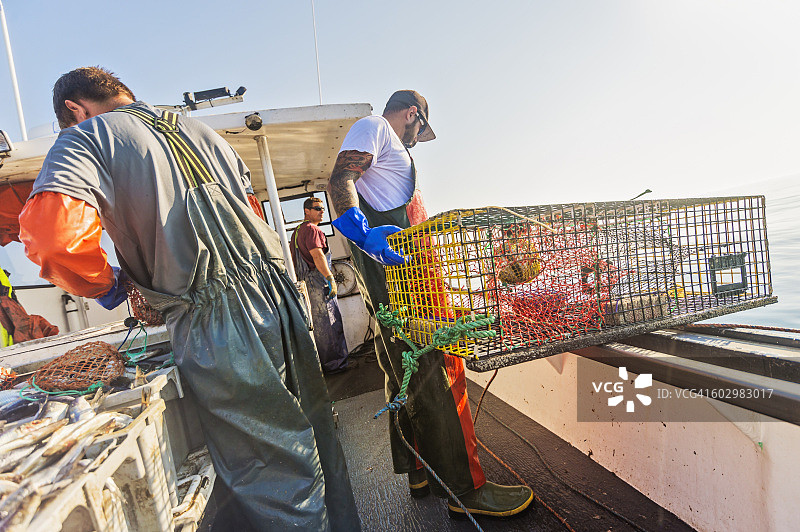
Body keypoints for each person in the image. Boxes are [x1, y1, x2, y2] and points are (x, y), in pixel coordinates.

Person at [18, 67, 360, 531]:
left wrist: (114, 285)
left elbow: (55, 240)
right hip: (278, 299)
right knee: (313, 437)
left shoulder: (87, 136)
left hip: (216, 322)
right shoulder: (202, 130)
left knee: (273, 475)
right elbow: (250, 211)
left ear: (74, 110)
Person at [328, 90, 534, 518]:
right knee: (436, 364)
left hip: (401, 273)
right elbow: (340, 178)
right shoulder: (377, 128)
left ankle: (419, 469)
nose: (418, 139)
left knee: (403, 367)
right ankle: (466, 490)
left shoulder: (389, 155)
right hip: (404, 278)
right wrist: (361, 231)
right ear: (412, 115)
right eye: (419, 129)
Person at [290, 197, 349, 373]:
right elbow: (317, 256)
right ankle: (336, 365)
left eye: (323, 209)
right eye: (317, 208)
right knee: (330, 323)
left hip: (306, 284)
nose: (321, 211)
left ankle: (327, 364)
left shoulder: (297, 231)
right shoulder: (312, 229)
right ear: (306, 211)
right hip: (319, 282)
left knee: (319, 325)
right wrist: (330, 278)